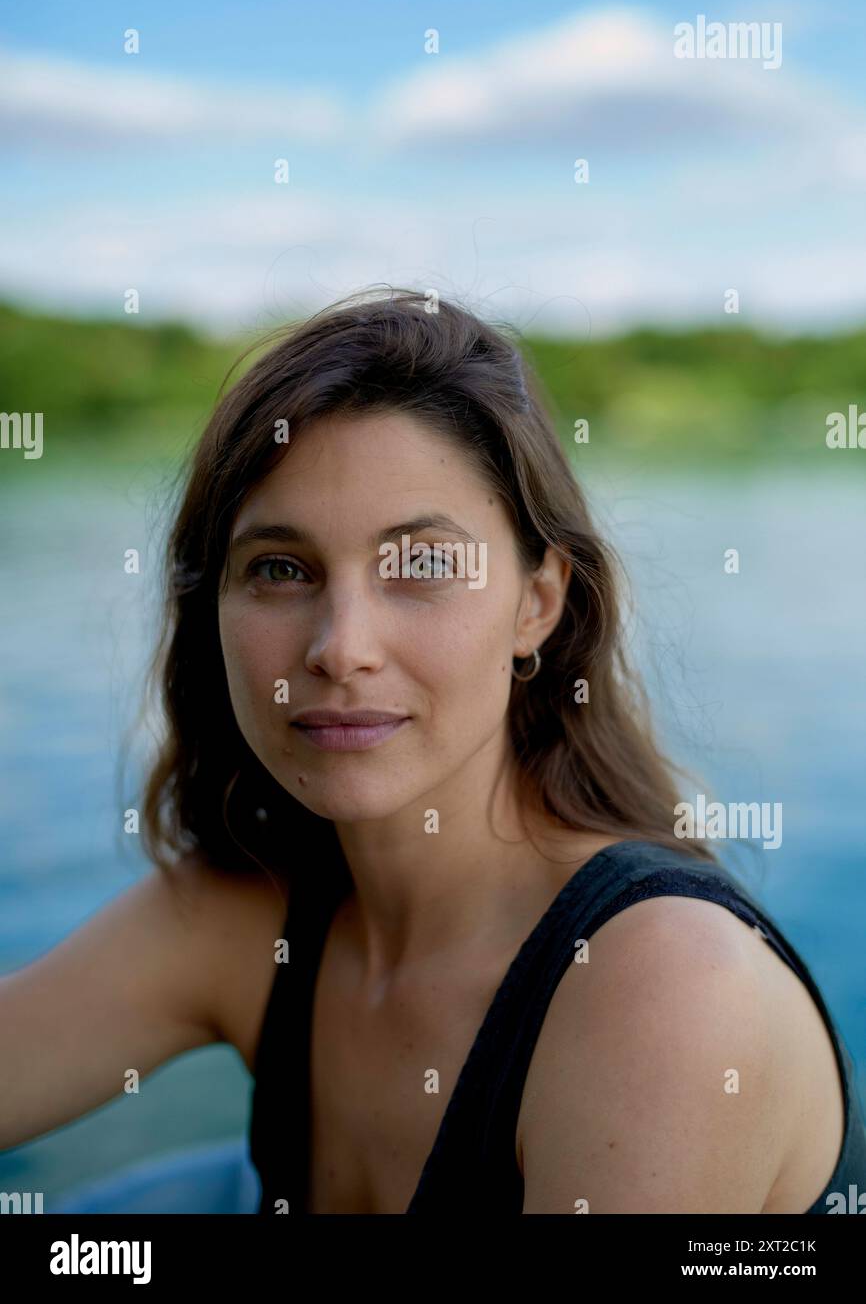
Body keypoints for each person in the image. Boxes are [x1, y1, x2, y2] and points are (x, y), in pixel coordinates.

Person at [2, 287, 864, 1215]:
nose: (341, 648)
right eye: (280, 569)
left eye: (421, 564)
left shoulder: (665, 987)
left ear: (538, 604)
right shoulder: (251, 919)